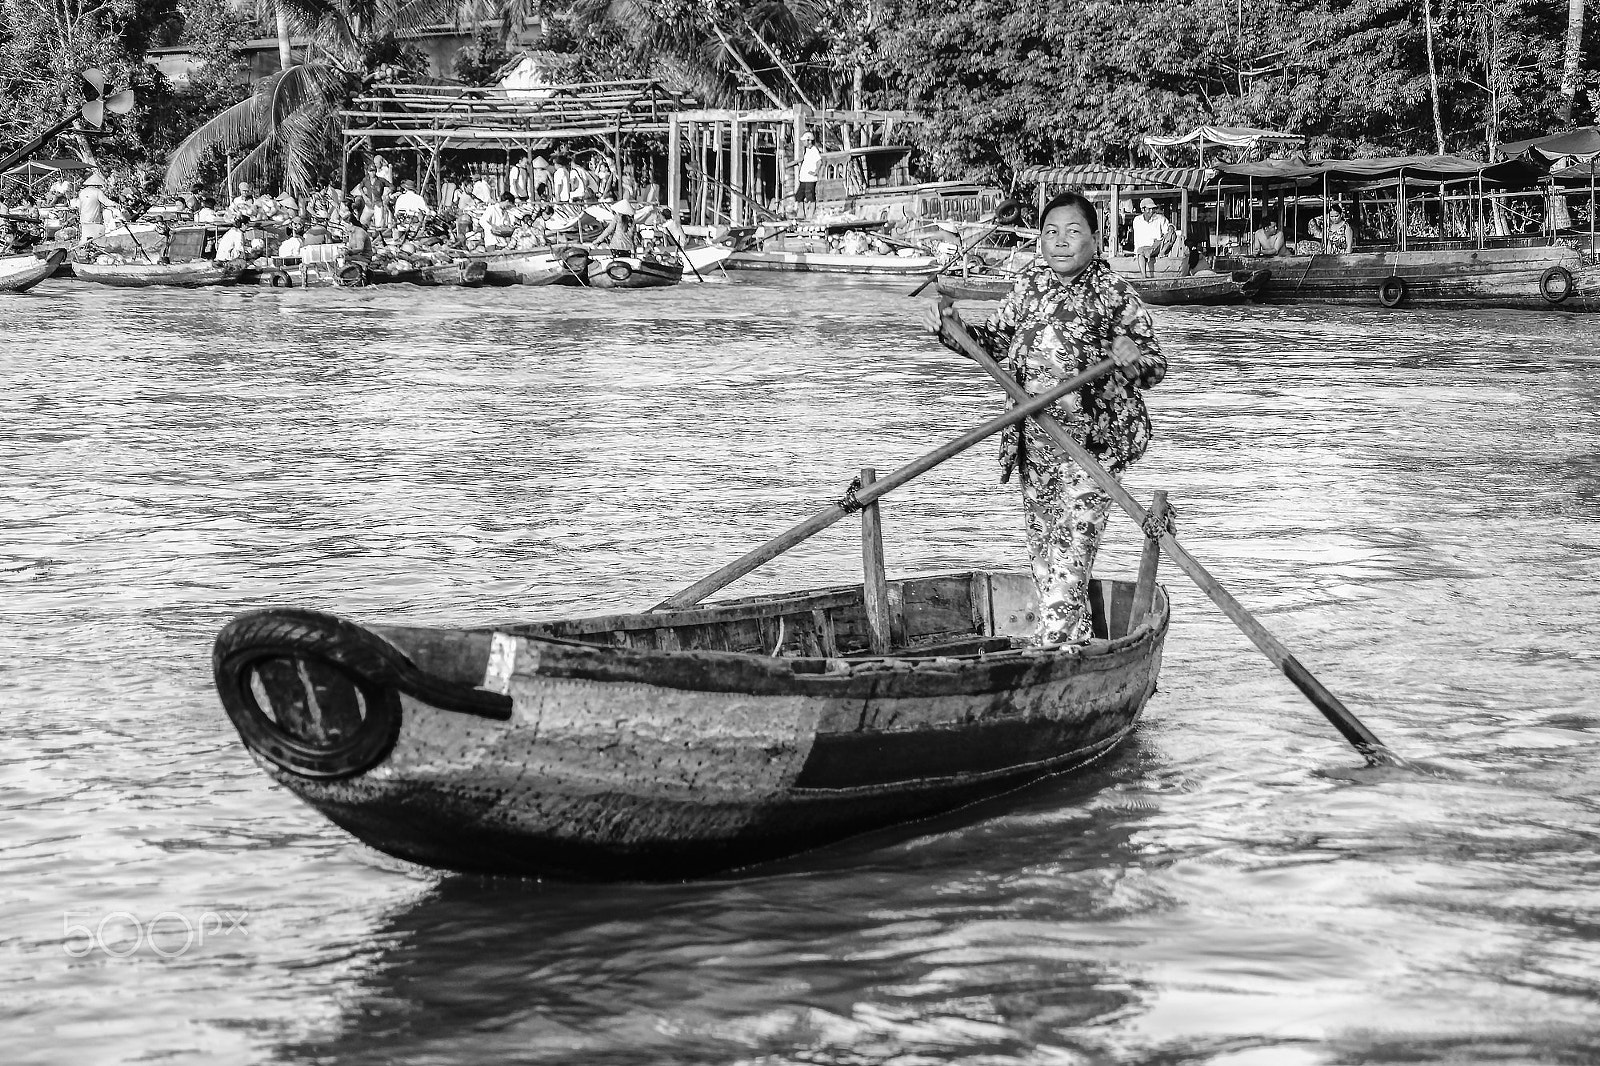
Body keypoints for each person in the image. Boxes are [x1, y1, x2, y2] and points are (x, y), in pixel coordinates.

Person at [923, 190, 1167, 647]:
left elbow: (1154, 365)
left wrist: (1132, 356)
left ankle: (1048, 651)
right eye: (1050, 232)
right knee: (1043, 555)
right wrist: (952, 330)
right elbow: (992, 343)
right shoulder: (1028, 285)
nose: (1060, 241)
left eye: (1072, 232)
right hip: (1034, 441)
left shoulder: (1115, 294)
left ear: (1095, 239)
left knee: (1071, 557)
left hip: (1092, 449)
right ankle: (1074, 650)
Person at [1131, 197, 1171, 278]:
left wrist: (1164, 248)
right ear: (1143, 210)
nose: (1151, 211)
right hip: (1143, 248)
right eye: (1148, 209)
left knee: (1142, 251)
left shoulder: (1160, 219)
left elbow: (1168, 232)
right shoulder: (1137, 220)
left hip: (1156, 245)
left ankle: (1144, 277)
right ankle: (1144, 276)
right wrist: (1136, 252)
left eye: (1153, 209)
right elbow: (1137, 237)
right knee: (1140, 251)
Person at [76, 173, 120, 242]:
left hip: (84, 217)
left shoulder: (82, 192)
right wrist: (114, 204)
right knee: (95, 235)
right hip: (93, 217)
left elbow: (80, 205)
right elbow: (105, 202)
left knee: (86, 234)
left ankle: (85, 246)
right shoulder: (97, 192)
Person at [791, 131, 821, 219]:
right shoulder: (807, 150)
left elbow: (819, 161)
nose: (803, 143)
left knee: (810, 197)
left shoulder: (814, 150)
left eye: (804, 141)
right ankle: (801, 214)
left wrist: (816, 172)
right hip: (804, 179)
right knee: (799, 196)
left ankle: (810, 215)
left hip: (810, 179)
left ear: (809, 141)